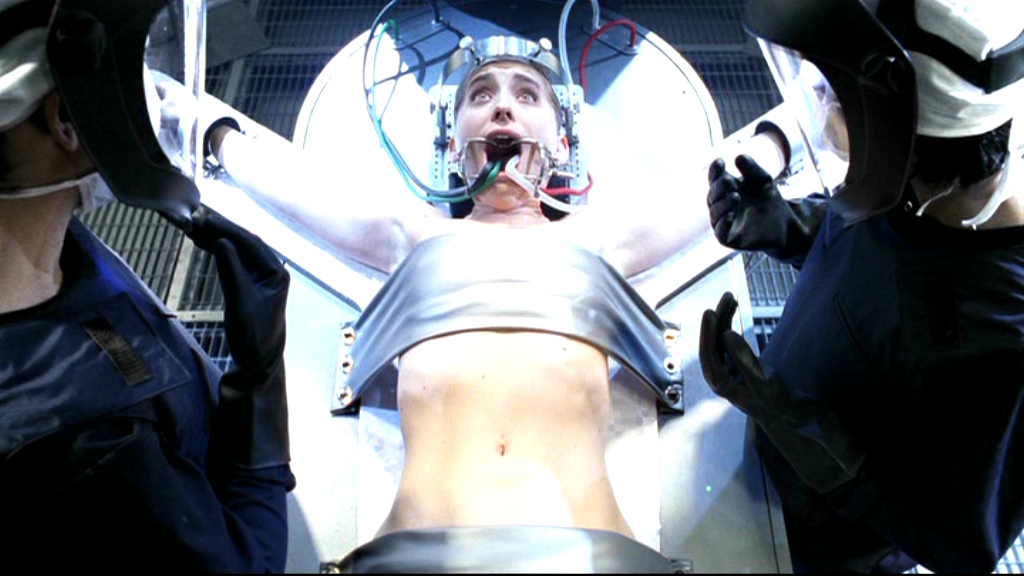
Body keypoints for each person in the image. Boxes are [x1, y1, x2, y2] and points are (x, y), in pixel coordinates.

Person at [191, 33, 725, 572]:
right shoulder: (413, 235)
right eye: (481, 94)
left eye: (526, 95)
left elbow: (724, 181)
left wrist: (777, 140)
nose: (502, 106)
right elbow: (297, 186)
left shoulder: (600, 238)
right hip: (414, 560)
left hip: (590, 559)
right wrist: (205, 129)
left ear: (563, 146)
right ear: (453, 148)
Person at [699, 0, 1024, 572]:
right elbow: (882, 269)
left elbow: (960, 543)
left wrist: (821, 446)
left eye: (834, 91)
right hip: (754, 462)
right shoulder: (920, 188)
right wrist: (789, 226)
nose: (818, 98)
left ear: (899, 135)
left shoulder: (1003, 335)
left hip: (819, 548)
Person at [0, 0, 295, 570]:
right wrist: (259, 380)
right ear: (64, 120)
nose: (152, 93)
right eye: (126, 66)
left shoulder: (48, 241)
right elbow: (250, 564)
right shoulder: (85, 441)